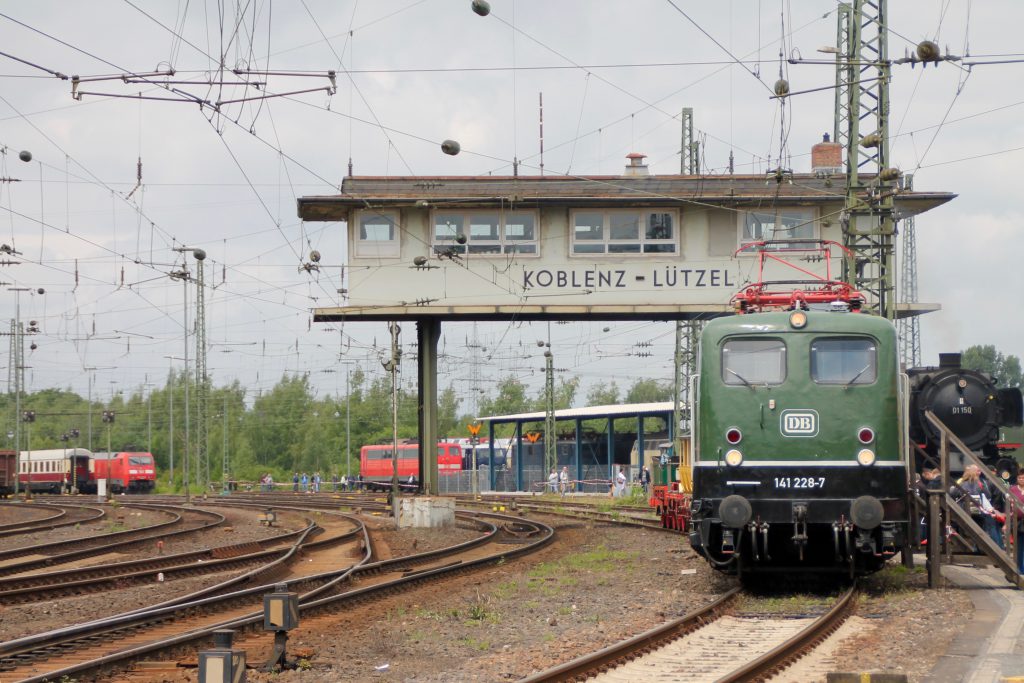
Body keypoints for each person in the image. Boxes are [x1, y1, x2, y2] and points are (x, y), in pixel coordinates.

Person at [954, 464, 1003, 549]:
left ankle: (976, 549)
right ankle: (995, 547)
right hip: (978, 511)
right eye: (978, 471)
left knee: (974, 532)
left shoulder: (961, 483)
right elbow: (988, 495)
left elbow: (954, 493)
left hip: (964, 511)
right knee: (988, 527)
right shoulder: (980, 483)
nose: (980, 472)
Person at [1007, 471, 1024, 574]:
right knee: (1019, 546)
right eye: (1020, 478)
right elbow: (1008, 504)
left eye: (1023, 478)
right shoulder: (1012, 489)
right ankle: (1019, 569)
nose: (1021, 479)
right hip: (1017, 521)